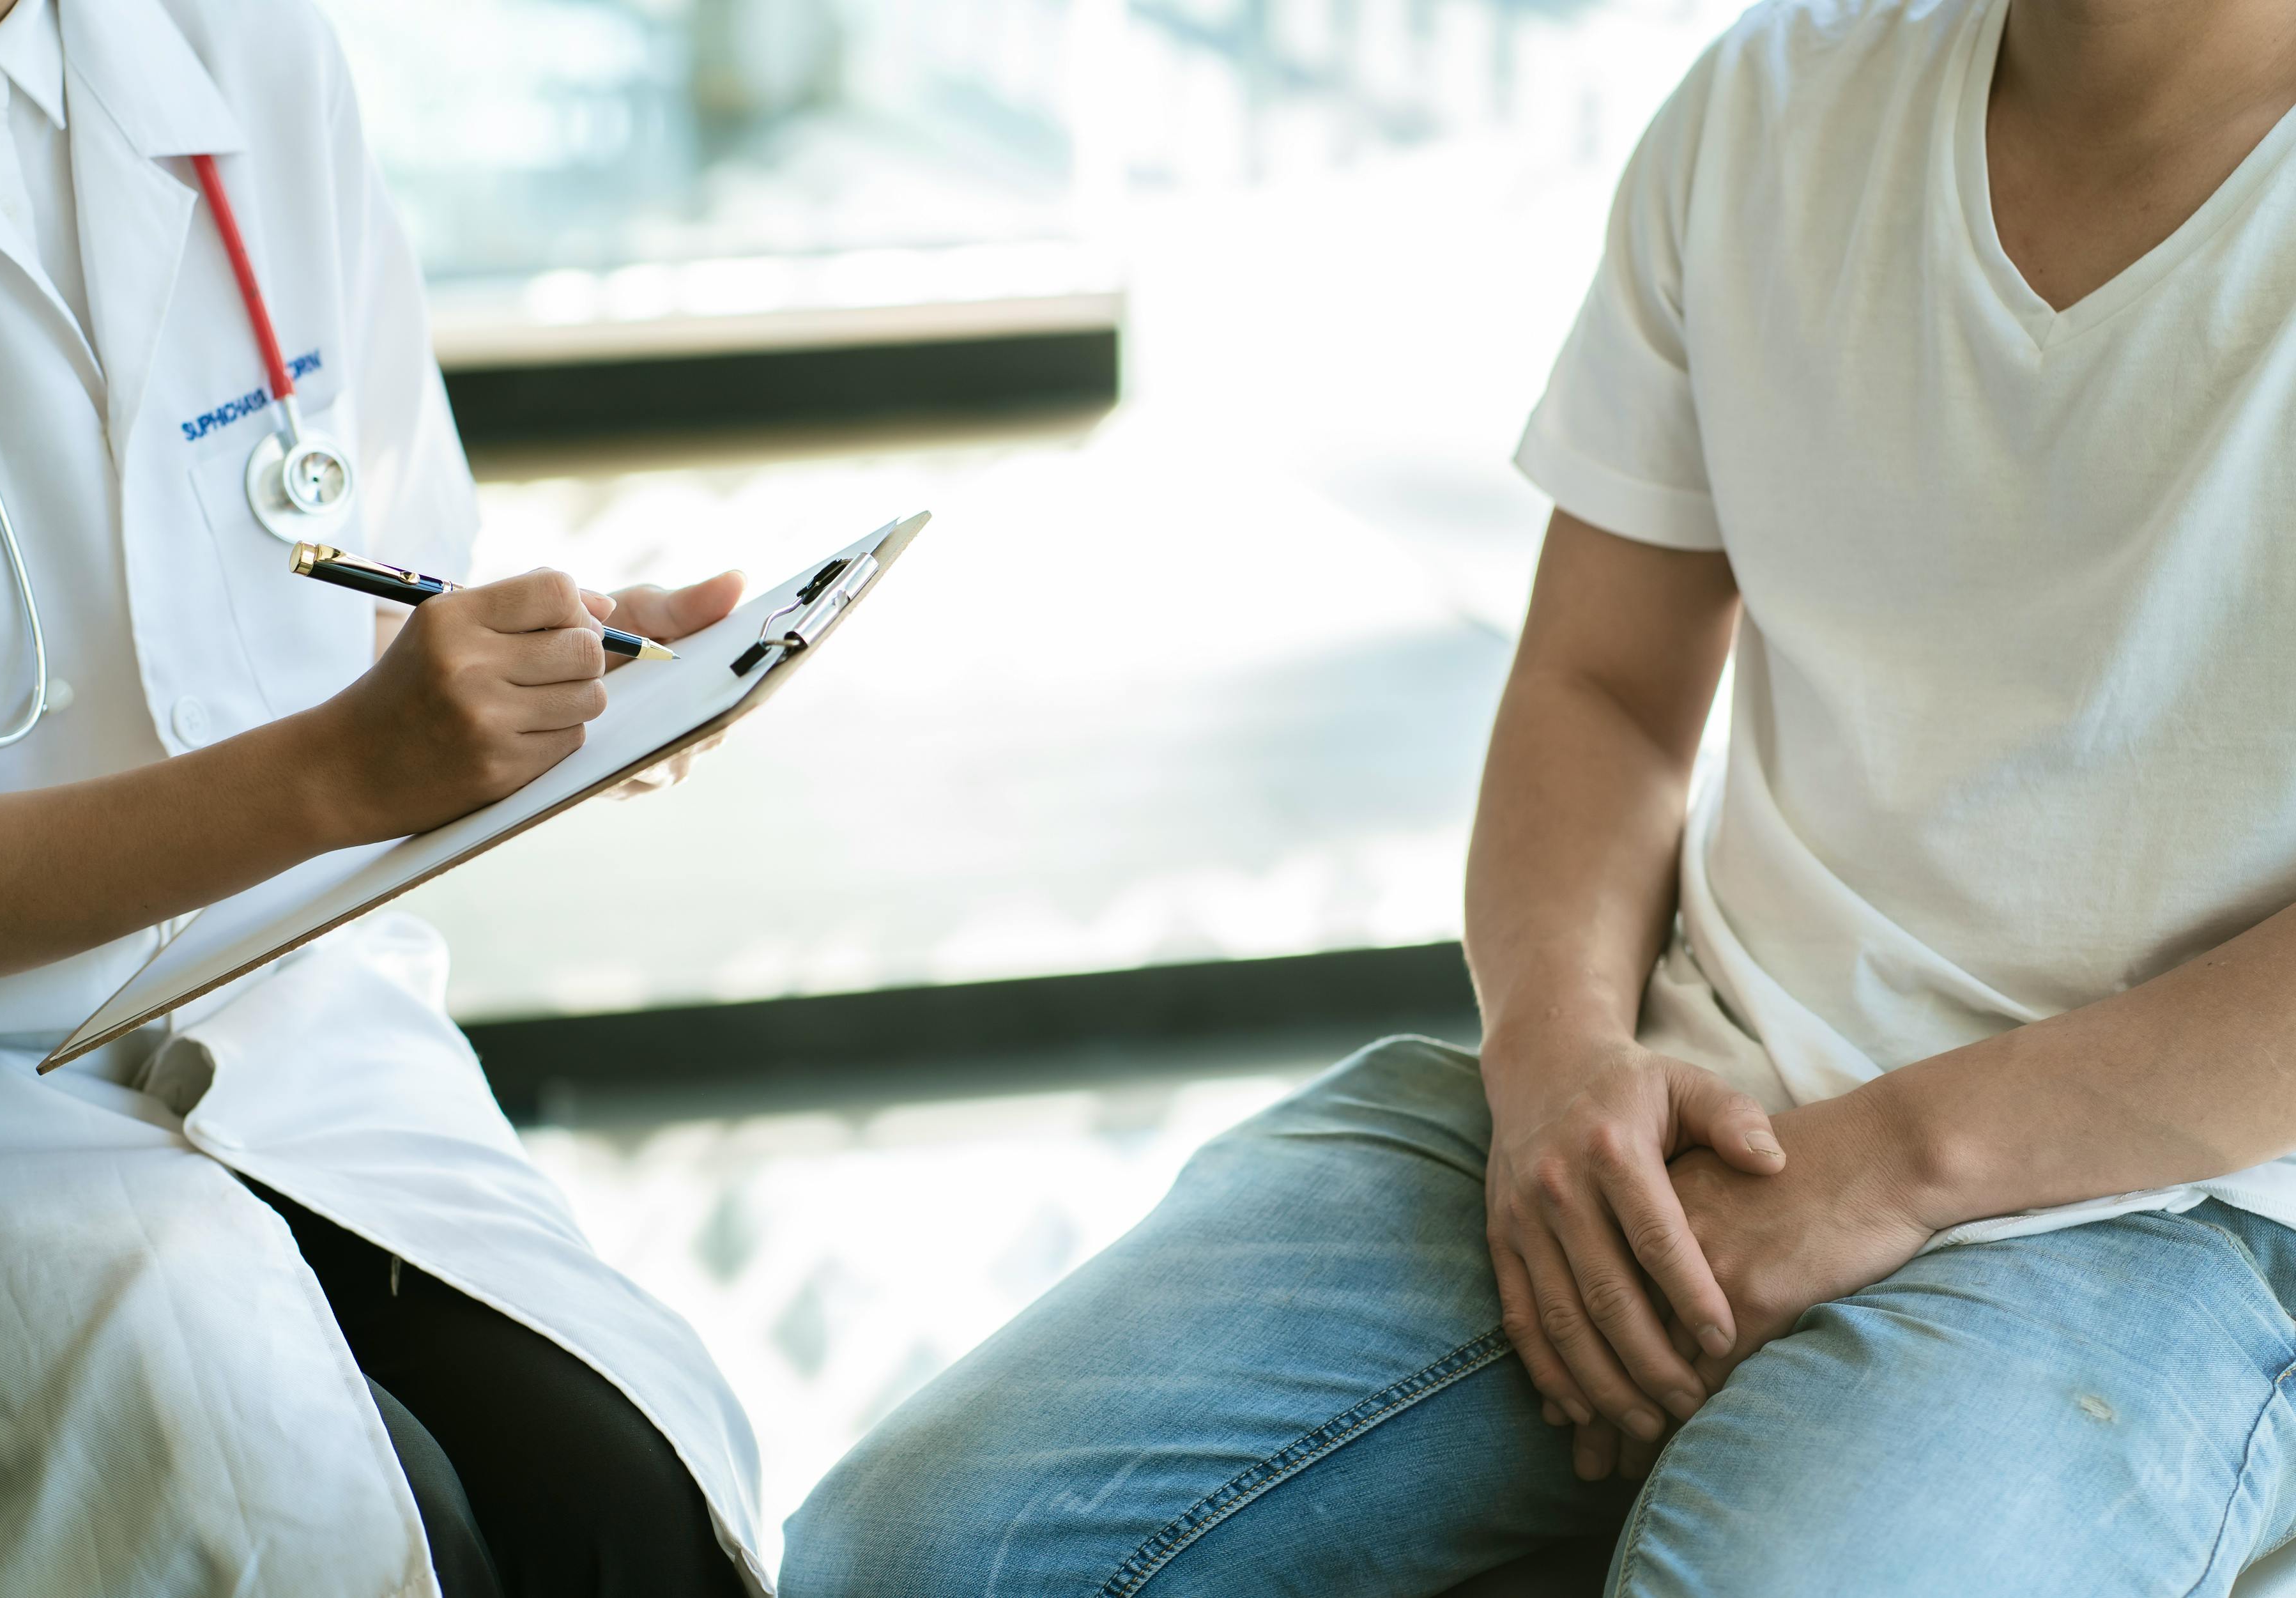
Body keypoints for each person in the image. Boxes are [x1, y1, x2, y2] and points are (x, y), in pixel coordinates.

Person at [779, 0, 2296, 1593]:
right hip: (1685, 1097)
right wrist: (1561, 1062)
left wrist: (1898, 1159)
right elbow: (1605, 690)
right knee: (915, 1552)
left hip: (2180, 1210)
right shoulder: (1771, 100)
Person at [0, 1, 764, 1594]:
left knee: (637, 1501)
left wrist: (552, 669)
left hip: (289, 1011)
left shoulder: (244, 46)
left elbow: (371, 563)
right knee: (286, 1500)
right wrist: (342, 770)